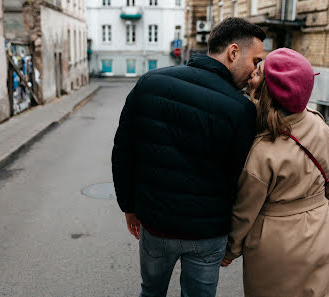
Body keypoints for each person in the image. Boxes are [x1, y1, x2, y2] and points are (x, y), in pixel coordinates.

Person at [112, 17, 265, 297]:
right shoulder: (242, 110)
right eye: (255, 61)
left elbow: (123, 151)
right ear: (233, 53)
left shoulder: (150, 83)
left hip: (155, 225)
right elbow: (241, 180)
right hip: (207, 234)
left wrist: (129, 207)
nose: (255, 71)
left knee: (151, 292)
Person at [221, 48, 329, 297]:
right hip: (323, 230)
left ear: (267, 91)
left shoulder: (263, 149)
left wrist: (230, 251)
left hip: (278, 244)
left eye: (257, 74)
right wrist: (327, 213)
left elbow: (246, 211)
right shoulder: (321, 126)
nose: (252, 77)